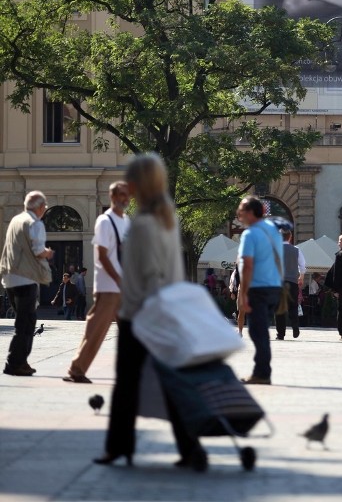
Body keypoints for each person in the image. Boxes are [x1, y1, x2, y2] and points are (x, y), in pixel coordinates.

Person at [95, 153, 207, 471]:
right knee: (172, 383)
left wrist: (135, 309)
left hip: (141, 314)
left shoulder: (143, 224)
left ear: (134, 185)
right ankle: (191, 447)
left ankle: (119, 447)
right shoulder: (167, 216)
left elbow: (148, 273)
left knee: (126, 385)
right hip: (165, 311)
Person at [64, 181, 130, 383]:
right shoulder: (104, 221)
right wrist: (119, 279)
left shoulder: (126, 221)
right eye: (120, 194)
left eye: (127, 195)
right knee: (97, 330)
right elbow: (102, 255)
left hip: (123, 286)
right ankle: (77, 369)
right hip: (109, 286)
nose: (124, 198)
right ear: (112, 197)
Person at [0, 190, 54, 376]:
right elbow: (38, 251)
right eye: (44, 206)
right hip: (26, 278)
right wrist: (47, 253)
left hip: (9, 278)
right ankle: (14, 363)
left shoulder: (15, 221)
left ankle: (20, 361)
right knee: (25, 323)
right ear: (39, 207)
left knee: (25, 321)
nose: (45, 209)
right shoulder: (35, 223)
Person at [237, 197, 283, 384]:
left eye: (241, 210)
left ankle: (262, 373)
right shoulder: (273, 230)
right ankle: (262, 371)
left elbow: (248, 264)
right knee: (262, 330)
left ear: (250, 212)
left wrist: (244, 293)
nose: (238, 214)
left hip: (258, 287)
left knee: (258, 332)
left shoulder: (250, 234)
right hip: (274, 286)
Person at [275, 228, 306, 340]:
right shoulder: (296, 250)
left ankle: (280, 334)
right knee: (293, 306)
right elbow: (302, 265)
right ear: (290, 237)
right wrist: (301, 277)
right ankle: (295, 327)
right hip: (292, 282)